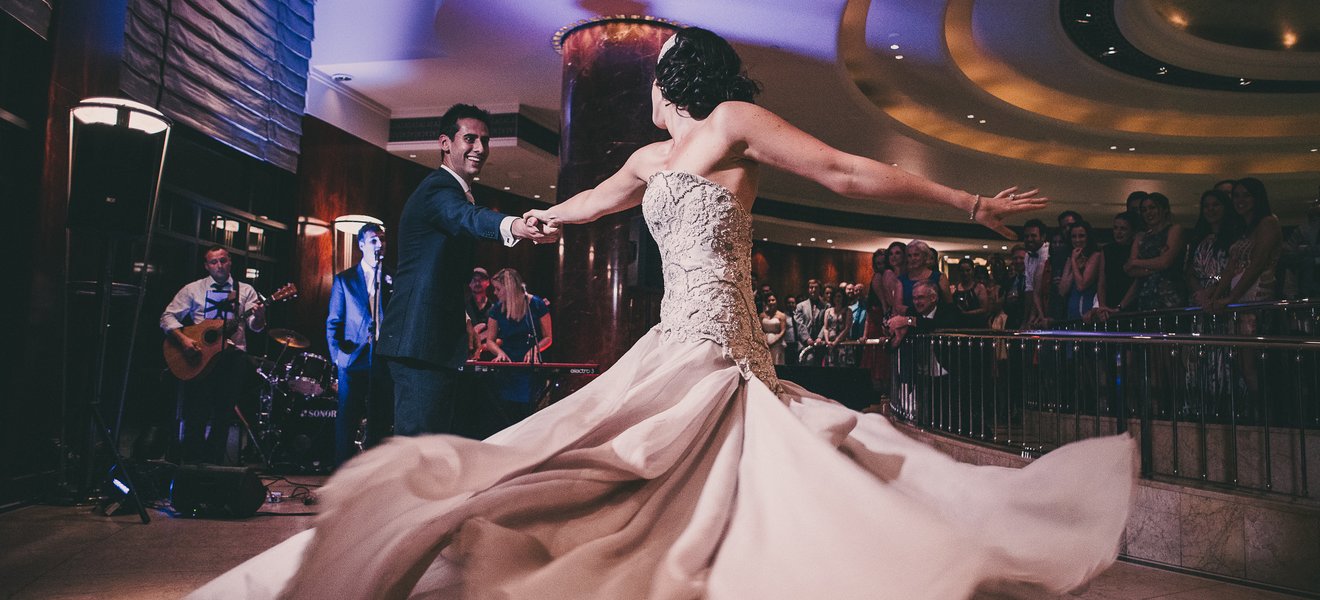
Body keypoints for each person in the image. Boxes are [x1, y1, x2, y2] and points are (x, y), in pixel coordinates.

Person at [198, 27, 1132, 600]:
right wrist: (527, 221)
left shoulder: (731, 123)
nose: (646, 84)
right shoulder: (651, 161)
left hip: (725, 342)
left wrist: (968, 209)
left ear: (677, 75)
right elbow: (588, 204)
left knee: (712, 469)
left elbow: (845, 171)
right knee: (594, 465)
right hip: (671, 340)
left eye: (655, 70)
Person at [375, 104, 559, 438]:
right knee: (418, 451)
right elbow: (469, 219)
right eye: (470, 139)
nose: (480, 148)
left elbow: (437, 271)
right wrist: (517, 225)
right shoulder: (439, 188)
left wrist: (462, 319)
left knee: (431, 450)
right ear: (445, 143)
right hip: (419, 342)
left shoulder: (455, 191)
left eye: (485, 141)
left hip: (431, 343)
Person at [161, 246, 266, 465]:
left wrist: (260, 316)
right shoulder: (193, 289)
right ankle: (192, 466)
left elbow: (255, 327)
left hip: (231, 359)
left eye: (223, 260)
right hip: (198, 358)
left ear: (230, 262)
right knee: (195, 414)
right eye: (213, 262)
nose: (219, 265)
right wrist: (184, 340)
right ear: (207, 266)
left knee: (223, 415)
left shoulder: (245, 290)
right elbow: (167, 317)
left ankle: (214, 466)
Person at [325, 224, 393, 467]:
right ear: (362, 245)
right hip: (353, 358)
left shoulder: (392, 278)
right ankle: (341, 475)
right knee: (347, 419)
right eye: (374, 240)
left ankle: (374, 476)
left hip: (383, 358)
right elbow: (334, 321)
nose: (380, 245)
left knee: (381, 419)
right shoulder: (345, 279)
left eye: (383, 240)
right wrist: (338, 358)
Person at [481, 268, 552, 430]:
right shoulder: (496, 309)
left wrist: (535, 349)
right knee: (506, 414)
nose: (495, 293)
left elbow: (548, 337)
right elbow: (490, 341)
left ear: (509, 287)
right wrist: (499, 353)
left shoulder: (536, 304)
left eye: (498, 289)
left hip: (530, 368)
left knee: (529, 413)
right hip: (508, 367)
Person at [1120, 192, 1187, 312]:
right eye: (1144, 210)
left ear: (1164, 209)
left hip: (1170, 296)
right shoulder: (1141, 237)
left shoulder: (1175, 230)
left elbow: (1165, 262)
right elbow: (1131, 270)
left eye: (1152, 208)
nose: (1148, 213)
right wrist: (1156, 265)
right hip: (1145, 297)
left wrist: (1136, 262)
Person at [1057, 221, 1103, 321]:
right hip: (1072, 313)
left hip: (1090, 314)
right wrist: (1074, 264)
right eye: (1074, 236)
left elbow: (1082, 285)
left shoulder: (1095, 256)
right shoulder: (1071, 258)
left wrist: (1073, 262)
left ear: (1088, 237)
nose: (1077, 240)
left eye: (1081, 236)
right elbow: (1062, 290)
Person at [465, 267, 494, 359]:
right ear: (469, 283)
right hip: (467, 357)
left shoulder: (495, 308)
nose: (477, 283)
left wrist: (481, 347)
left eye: (481, 280)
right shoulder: (463, 307)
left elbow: (501, 338)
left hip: (489, 358)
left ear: (488, 282)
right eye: (474, 280)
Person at [760, 293, 788, 365]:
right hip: (764, 343)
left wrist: (774, 341)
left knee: (776, 363)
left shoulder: (781, 315)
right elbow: (759, 329)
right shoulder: (762, 315)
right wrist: (763, 341)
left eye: (773, 300)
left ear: (776, 301)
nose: (771, 302)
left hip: (777, 343)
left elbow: (783, 330)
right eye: (769, 301)